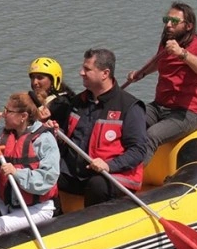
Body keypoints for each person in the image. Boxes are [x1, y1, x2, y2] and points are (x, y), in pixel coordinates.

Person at [126, 1, 197, 165]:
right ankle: (113, 165)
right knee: (128, 120)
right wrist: (140, 73)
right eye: (166, 19)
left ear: (188, 26)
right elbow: (159, 61)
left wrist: (182, 54)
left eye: (174, 21)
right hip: (159, 106)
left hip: (187, 113)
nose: (168, 25)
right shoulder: (167, 42)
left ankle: (131, 179)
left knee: (152, 135)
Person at [57, 48, 147, 207]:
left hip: (111, 175)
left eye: (87, 69)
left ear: (105, 73)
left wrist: (109, 165)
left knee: (97, 185)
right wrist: (56, 133)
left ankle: (91, 226)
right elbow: (67, 136)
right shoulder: (78, 102)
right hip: (75, 173)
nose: (81, 73)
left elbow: (138, 150)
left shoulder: (129, 107)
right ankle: (52, 220)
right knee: (43, 174)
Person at [0, 92, 60, 239]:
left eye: (8, 111)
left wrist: (17, 173)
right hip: (9, 203)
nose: (4, 115)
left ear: (23, 116)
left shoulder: (44, 139)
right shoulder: (2, 135)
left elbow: (48, 179)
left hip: (38, 207)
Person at [28, 57, 76, 124]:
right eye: (32, 78)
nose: (34, 82)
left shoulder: (61, 104)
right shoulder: (33, 99)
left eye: (40, 78)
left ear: (53, 80)